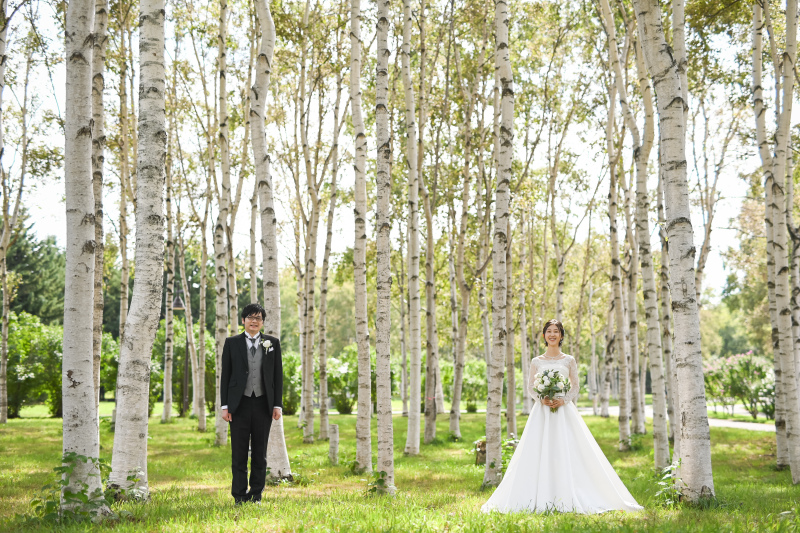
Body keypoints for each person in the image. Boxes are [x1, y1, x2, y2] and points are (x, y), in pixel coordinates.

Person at [482, 318, 643, 514]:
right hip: (542, 411)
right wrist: (541, 399)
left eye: (556, 331)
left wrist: (564, 399)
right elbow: (531, 387)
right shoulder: (536, 361)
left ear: (561, 336)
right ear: (544, 336)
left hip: (563, 410)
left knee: (567, 449)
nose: (552, 334)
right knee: (538, 449)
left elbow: (575, 386)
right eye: (549, 331)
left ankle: (569, 489)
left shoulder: (569, 360)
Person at [221, 303, 283, 505]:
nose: (254, 321)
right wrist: (225, 406)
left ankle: (256, 494)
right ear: (243, 320)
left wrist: (277, 405)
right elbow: (226, 376)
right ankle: (239, 495)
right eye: (250, 317)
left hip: (264, 405)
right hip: (239, 405)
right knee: (238, 453)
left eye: (258, 318)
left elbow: (277, 376)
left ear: (262, 322)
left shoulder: (272, 343)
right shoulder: (231, 343)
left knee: (260, 453)